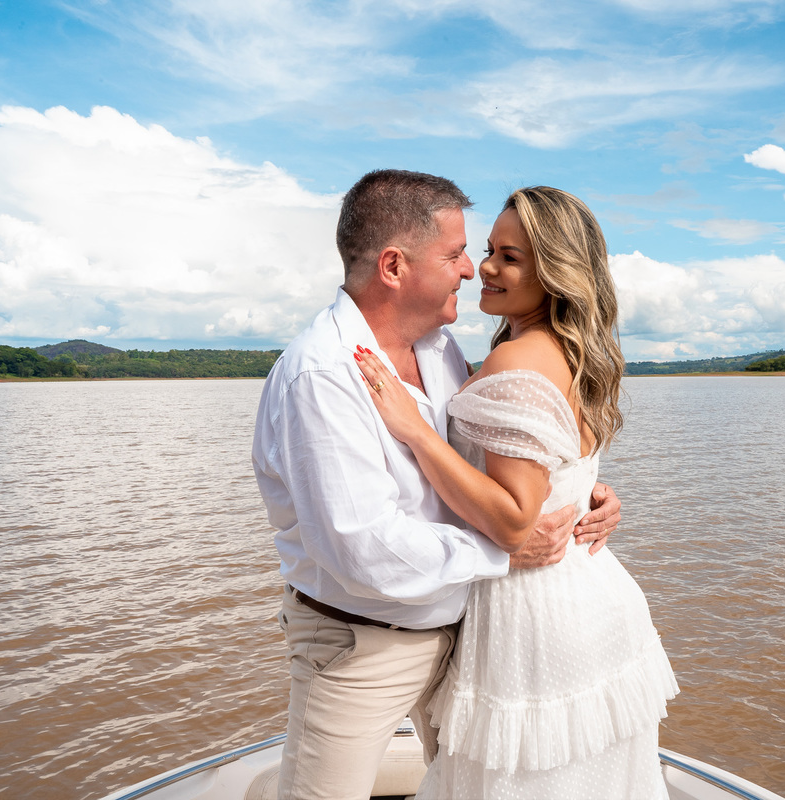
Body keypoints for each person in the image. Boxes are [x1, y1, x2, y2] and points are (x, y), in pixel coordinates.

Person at [251, 170, 624, 800]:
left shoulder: (443, 351)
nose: (472, 270)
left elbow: (501, 458)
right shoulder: (324, 377)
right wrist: (504, 553)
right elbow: (362, 551)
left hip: (473, 633)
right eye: (458, 254)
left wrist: (575, 490)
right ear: (394, 266)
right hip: (364, 645)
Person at [353, 186, 678, 798]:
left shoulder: (517, 362)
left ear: (556, 272)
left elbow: (511, 521)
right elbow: (560, 470)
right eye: (489, 250)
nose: (487, 268)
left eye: (513, 257)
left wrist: (417, 432)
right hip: (592, 591)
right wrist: (593, 496)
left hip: (534, 614)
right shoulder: (571, 354)